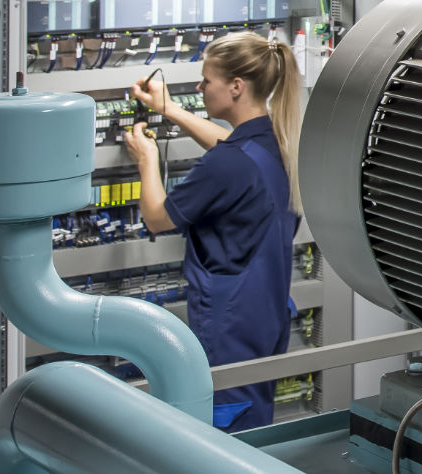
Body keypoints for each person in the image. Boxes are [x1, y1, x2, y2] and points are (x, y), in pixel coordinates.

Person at [122, 32, 304, 432]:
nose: (200, 89)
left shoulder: (226, 165)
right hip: (267, 312)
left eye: (207, 81)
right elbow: (230, 145)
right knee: (255, 417)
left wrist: (146, 159)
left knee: (228, 431)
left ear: (236, 87)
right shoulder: (276, 138)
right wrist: (169, 109)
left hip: (230, 323)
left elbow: (156, 217)